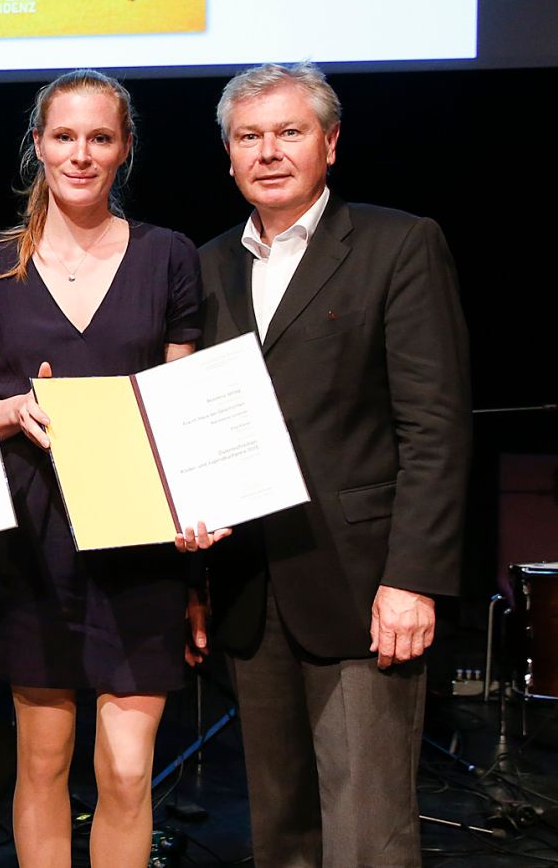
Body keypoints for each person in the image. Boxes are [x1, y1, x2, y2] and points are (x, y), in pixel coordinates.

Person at [189, 62, 470, 866]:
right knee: (278, 829)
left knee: (367, 831)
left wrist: (414, 575)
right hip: (250, 585)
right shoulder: (207, 266)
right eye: (250, 136)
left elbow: (435, 427)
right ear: (229, 155)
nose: (269, 151)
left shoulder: (399, 242)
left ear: (331, 143)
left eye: (290, 131)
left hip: (363, 581)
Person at [0, 70, 218, 868]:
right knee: (41, 760)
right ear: (37, 145)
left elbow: (184, 411)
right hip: (34, 539)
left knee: (128, 770)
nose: (81, 153)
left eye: (100, 137)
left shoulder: (168, 255)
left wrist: (197, 552)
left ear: (125, 148)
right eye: (63, 136)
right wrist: (4, 410)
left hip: (139, 538)